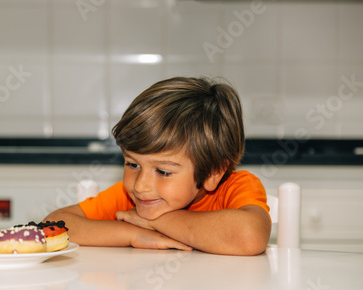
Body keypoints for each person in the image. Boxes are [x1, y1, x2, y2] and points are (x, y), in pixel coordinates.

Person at [45, 76, 271, 256]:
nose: (141, 185)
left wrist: (153, 221)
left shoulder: (236, 187)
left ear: (213, 172)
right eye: (132, 164)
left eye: (163, 171)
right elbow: (53, 226)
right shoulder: (130, 197)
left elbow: (250, 236)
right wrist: (132, 234)